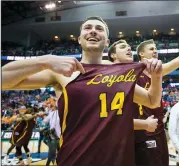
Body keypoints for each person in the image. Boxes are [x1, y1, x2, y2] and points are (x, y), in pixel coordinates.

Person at [2, 16, 163, 166]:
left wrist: (156, 77)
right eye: (88, 27)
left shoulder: (120, 73)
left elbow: (151, 100)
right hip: (75, 159)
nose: (93, 30)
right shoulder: (62, 72)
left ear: (107, 41)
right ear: (79, 39)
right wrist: (45, 61)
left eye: (99, 28)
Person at [107, 15, 179, 166]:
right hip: (142, 129)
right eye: (151, 49)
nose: (155, 51)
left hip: (158, 128)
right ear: (141, 54)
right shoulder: (130, 71)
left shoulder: (157, 71)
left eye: (156, 49)